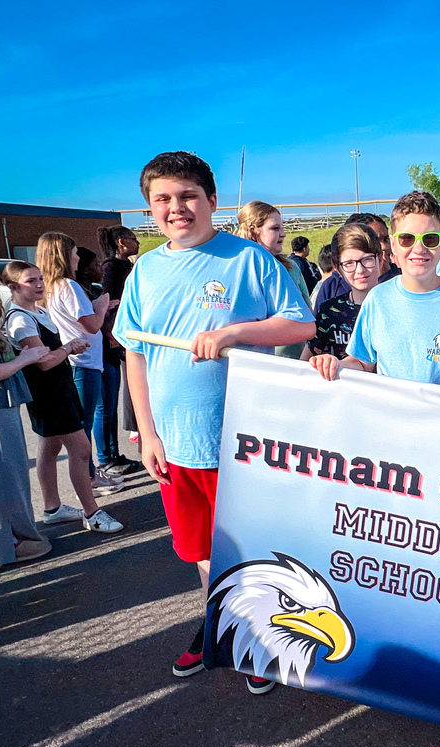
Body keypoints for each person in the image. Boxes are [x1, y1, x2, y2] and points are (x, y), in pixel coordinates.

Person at [113, 151, 315, 695]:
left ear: (211, 201)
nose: (176, 208)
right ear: (149, 208)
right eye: (163, 199)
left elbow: (300, 325)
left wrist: (233, 334)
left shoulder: (249, 260)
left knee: (247, 547)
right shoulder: (146, 271)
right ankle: (222, 623)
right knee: (201, 549)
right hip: (175, 446)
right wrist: (148, 434)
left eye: (187, 196)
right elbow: (135, 353)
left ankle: (261, 640)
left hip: (241, 443)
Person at [309, 191, 440, 410]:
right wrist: (337, 364)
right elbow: (362, 362)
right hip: (391, 425)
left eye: (429, 239)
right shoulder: (377, 300)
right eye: (407, 238)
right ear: (393, 244)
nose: (418, 249)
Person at [3, 260, 125, 534]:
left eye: (39, 279)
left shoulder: (38, 311)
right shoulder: (20, 319)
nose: (38, 285)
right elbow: (43, 361)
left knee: (49, 448)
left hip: (59, 388)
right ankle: (92, 512)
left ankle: (52, 508)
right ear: (13, 287)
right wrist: (69, 347)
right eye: (30, 281)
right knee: (81, 450)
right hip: (49, 394)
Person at [0, 256, 52, 568]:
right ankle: (9, 544)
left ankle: (11, 540)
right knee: (2, 478)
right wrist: (27, 357)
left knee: (9, 475)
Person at [38, 233, 125, 497]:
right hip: (83, 363)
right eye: (74, 252)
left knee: (81, 425)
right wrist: (100, 306)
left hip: (78, 362)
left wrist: (98, 307)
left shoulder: (53, 286)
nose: (78, 257)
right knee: (82, 428)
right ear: (64, 255)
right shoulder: (69, 285)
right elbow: (92, 325)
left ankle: (90, 476)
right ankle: (88, 480)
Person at [236, 201, 312, 358]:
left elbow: (307, 313)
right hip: (249, 361)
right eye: (275, 228)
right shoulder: (234, 269)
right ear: (253, 231)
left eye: (282, 228)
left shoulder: (291, 267)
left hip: (292, 360)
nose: (283, 234)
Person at [98, 225, 144, 470]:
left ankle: (118, 451)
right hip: (117, 337)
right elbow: (109, 301)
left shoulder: (128, 265)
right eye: (133, 239)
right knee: (118, 395)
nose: (137, 242)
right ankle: (109, 456)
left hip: (126, 335)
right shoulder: (111, 267)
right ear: (121, 243)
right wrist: (110, 330)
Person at [300, 224, 381, 361]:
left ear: (380, 258)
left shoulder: (397, 307)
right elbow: (305, 363)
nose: (360, 270)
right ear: (338, 269)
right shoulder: (329, 312)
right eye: (349, 263)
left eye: (367, 259)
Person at [345, 212, 400, 283]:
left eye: (386, 240)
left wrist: (387, 276)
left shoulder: (400, 275)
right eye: (375, 241)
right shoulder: (334, 286)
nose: (384, 246)